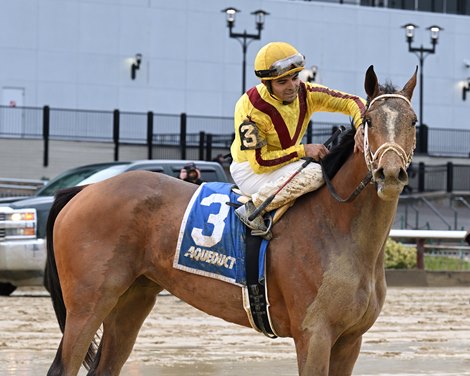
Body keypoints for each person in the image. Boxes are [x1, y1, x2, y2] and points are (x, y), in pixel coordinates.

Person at [230, 41, 367, 235]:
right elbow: (260, 162)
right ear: (265, 83)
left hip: (282, 165)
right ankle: (253, 209)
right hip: (251, 171)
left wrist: (361, 125)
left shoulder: (306, 92)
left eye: (295, 78)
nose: (292, 86)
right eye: (282, 82)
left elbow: (351, 101)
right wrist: (303, 150)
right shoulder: (251, 109)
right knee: (315, 174)